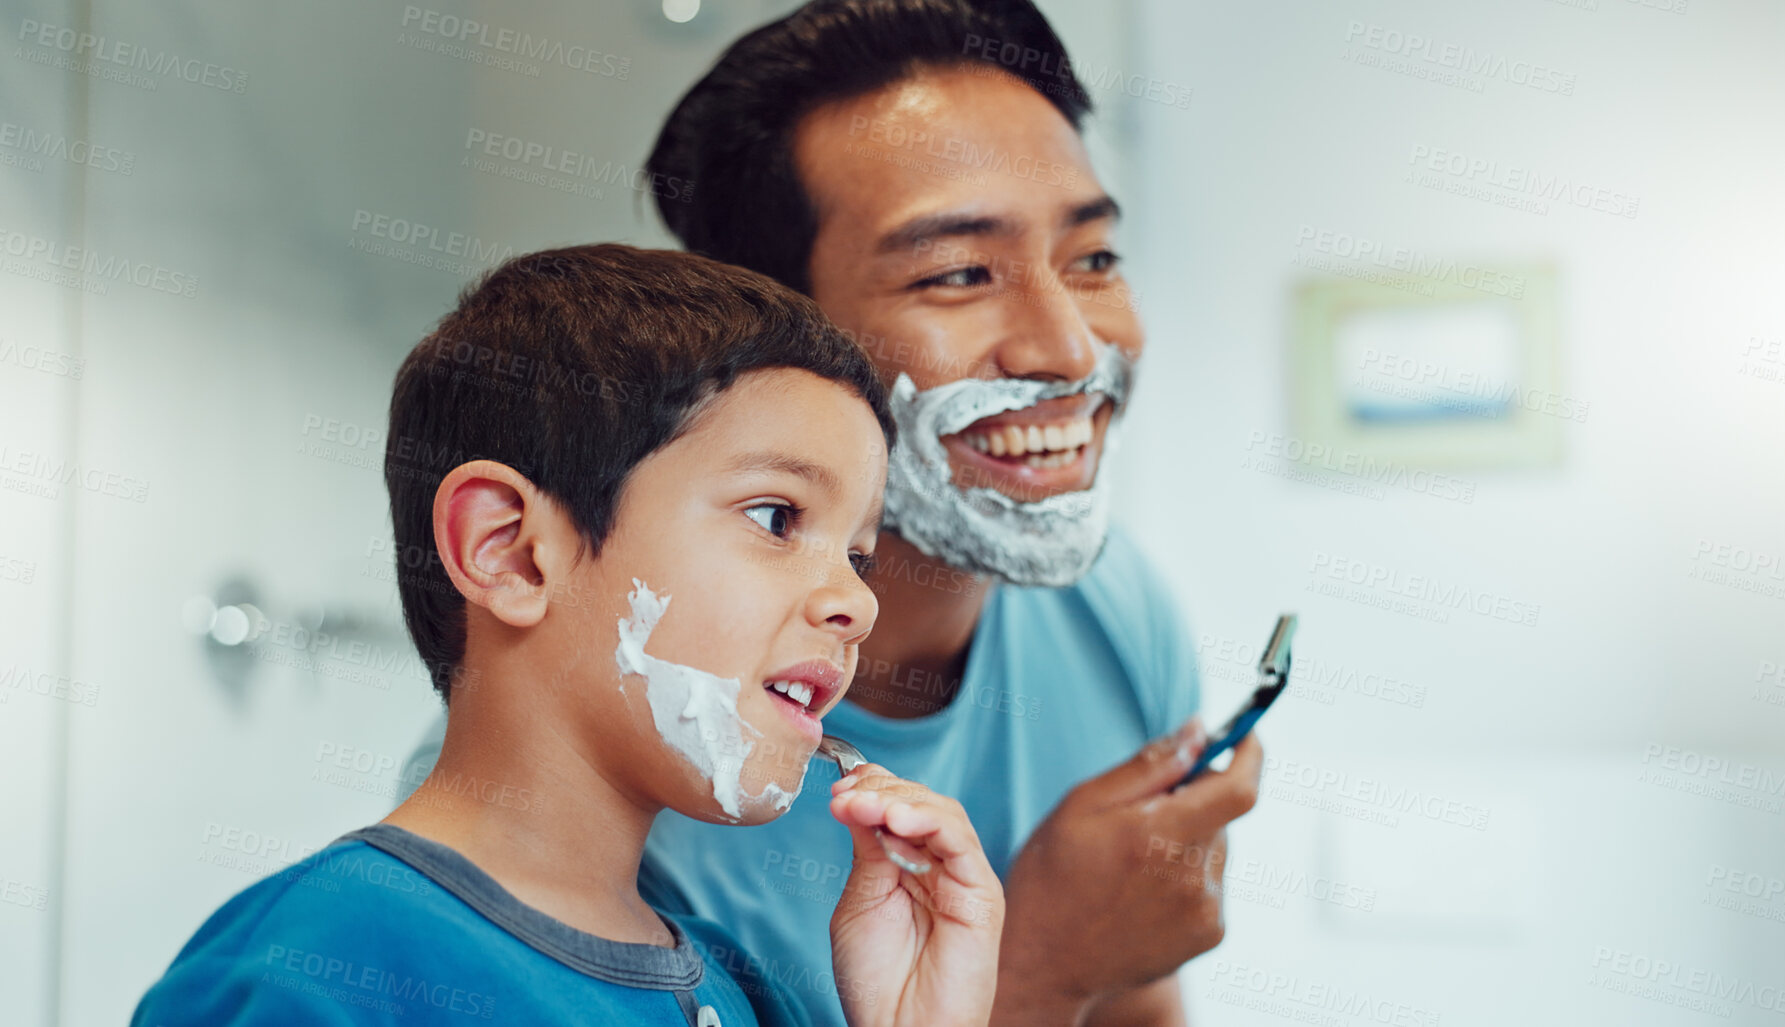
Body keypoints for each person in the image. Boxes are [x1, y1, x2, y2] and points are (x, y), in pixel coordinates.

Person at [402, 2, 1264, 1023]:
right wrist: (1039, 967)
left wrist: (1108, 955)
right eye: (959, 274)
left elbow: (1142, 1007)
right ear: (779, 343)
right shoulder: (596, 782)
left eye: (1093, 259)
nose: (1071, 349)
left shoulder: (1113, 606)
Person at [136, 246, 1003, 1026]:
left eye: (858, 555)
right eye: (776, 516)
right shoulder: (317, 968)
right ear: (510, 552)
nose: (856, 600)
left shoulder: (745, 990)